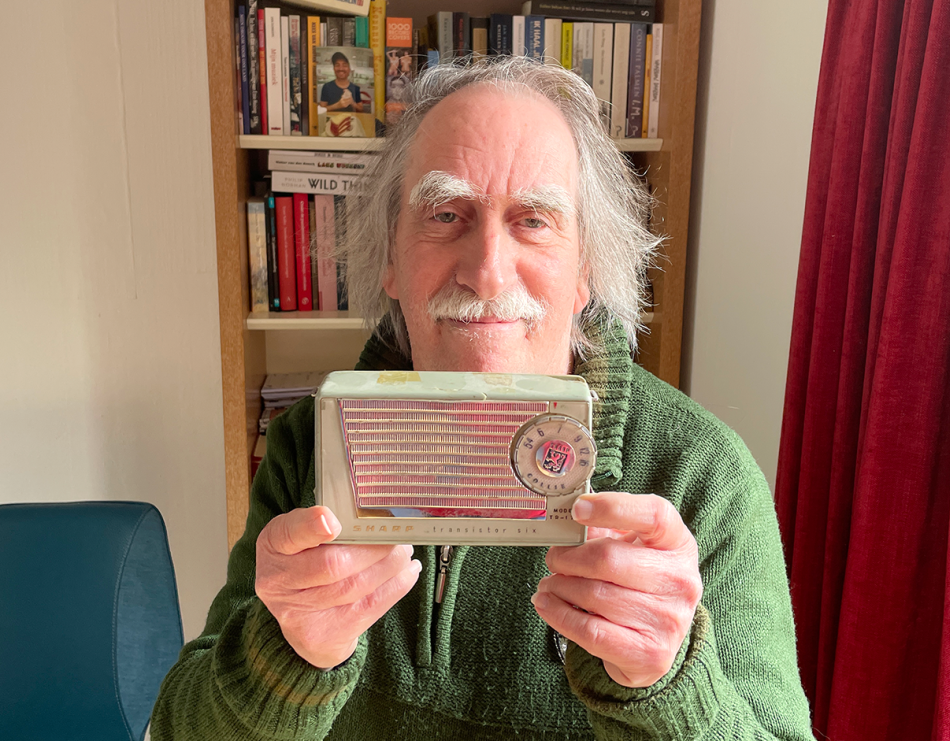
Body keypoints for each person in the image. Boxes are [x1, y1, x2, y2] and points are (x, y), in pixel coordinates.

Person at [151, 57, 814, 740]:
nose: (488, 272)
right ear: (391, 259)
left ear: (584, 269)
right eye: (446, 214)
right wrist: (280, 660)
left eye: (534, 220)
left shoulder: (703, 475)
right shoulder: (307, 446)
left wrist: (671, 688)